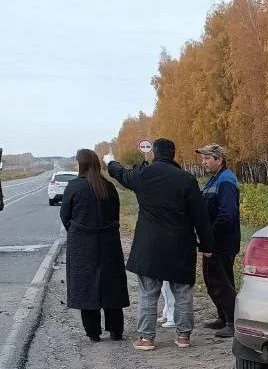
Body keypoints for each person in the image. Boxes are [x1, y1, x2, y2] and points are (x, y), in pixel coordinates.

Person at [106, 138, 214, 352]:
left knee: (148, 293)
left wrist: (110, 162)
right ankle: (183, 336)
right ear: (173, 154)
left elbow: (121, 174)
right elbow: (200, 216)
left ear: (154, 153)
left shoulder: (143, 174)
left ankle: (147, 339)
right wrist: (207, 245)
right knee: (182, 293)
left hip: (150, 246)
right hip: (180, 245)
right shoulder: (186, 179)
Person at [60, 148, 129, 341]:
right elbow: (115, 214)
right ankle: (116, 330)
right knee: (111, 284)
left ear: (80, 164)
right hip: (109, 243)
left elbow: (65, 215)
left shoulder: (74, 187)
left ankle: (93, 333)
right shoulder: (108, 186)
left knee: (86, 287)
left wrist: (77, 232)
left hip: (82, 244)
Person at [195, 143, 240, 337]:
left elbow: (227, 214)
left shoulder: (226, 180)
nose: (204, 162)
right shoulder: (214, 179)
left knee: (222, 282)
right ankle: (222, 316)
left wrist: (210, 238)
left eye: (207, 158)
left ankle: (232, 321)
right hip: (214, 240)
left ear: (219, 159)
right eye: (203, 159)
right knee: (212, 280)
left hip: (222, 242)